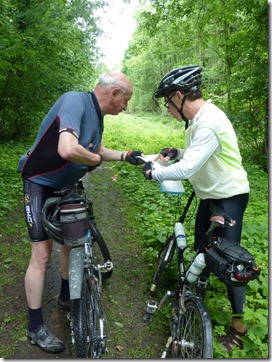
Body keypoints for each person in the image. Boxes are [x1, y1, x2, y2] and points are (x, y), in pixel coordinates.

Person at [18, 71, 144, 353]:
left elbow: (95, 147)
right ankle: (35, 326)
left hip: (65, 185)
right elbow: (68, 148)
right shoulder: (74, 102)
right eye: (126, 100)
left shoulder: (97, 116)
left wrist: (126, 156)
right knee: (42, 254)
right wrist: (94, 159)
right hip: (39, 183)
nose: (125, 107)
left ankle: (65, 296)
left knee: (73, 242)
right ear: (114, 94)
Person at [142, 65, 250, 352]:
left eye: (167, 102)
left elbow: (188, 168)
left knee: (228, 259)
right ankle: (192, 304)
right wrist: (176, 153)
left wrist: (153, 172)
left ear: (179, 96)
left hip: (229, 196)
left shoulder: (210, 121)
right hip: (209, 195)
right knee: (203, 250)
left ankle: (238, 325)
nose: (167, 109)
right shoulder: (196, 122)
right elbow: (194, 156)